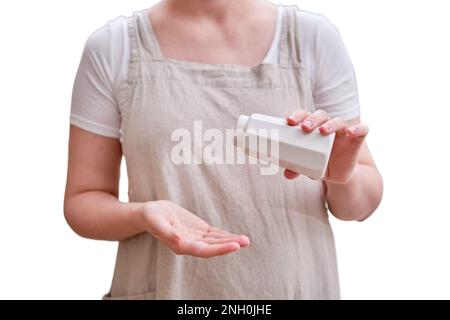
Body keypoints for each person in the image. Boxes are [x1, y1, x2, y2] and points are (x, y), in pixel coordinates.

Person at [65, 0, 383, 299]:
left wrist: (344, 176)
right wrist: (143, 214)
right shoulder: (113, 48)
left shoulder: (313, 40)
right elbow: (83, 201)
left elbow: (360, 204)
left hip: (295, 288)